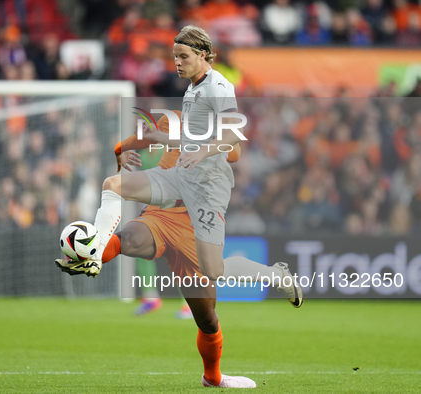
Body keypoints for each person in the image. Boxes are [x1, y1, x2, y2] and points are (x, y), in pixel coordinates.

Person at [57, 26, 303, 388]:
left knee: (208, 312)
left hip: (197, 210)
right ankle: (90, 252)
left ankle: (268, 287)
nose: (176, 64)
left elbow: (233, 148)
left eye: (183, 57)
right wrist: (121, 149)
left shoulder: (218, 90)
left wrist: (202, 148)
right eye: (174, 58)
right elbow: (150, 135)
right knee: (123, 224)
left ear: (204, 55)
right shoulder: (186, 102)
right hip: (162, 213)